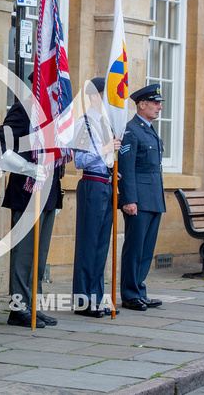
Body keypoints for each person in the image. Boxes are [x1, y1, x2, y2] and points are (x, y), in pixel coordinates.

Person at [0, 73, 63, 329]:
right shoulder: (24, 110)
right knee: (24, 254)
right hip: (28, 190)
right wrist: (26, 167)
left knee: (39, 255)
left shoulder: (55, 115)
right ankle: (18, 308)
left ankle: (32, 303)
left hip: (48, 191)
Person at [72, 77, 121, 318]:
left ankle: (97, 298)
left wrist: (113, 167)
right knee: (88, 245)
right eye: (105, 95)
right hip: (91, 185)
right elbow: (79, 160)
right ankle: (83, 301)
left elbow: (106, 159)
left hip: (107, 185)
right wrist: (106, 149)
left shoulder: (106, 123)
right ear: (94, 96)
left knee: (102, 246)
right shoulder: (84, 123)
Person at [118, 84, 166, 311]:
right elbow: (126, 168)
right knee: (135, 248)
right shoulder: (131, 130)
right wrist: (128, 199)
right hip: (138, 199)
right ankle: (129, 293)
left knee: (146, 249)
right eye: (155, 103)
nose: (159, 107)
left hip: (153, 197)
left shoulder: (149, 128)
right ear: (142, 105)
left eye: (160, 103)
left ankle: (139, 289)